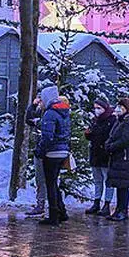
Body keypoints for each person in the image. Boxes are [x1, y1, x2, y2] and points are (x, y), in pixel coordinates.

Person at [36, 85, 71, 226]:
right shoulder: (65, 112)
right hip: (62, 150)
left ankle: (53, 215)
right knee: (54, 183)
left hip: (51, 153)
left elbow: (47, 137)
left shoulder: (50, 113)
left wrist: (39, 150)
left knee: (50, 184)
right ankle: (61, 211)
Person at [104, 97, 129, 222]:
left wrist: (112, 146)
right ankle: (118, 209)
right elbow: (112, 135)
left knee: (123, 186)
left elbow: (125, 139)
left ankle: (123, 210)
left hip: (125, 157)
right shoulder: (120, 120)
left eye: (122, 107)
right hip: (118, 157)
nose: (119, 109)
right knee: (119, 185)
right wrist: (108, 145)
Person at [84, 98, 115, 216]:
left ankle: (107, 203)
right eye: (95, 108)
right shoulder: (95, 120)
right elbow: (93, 135)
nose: (96, 110)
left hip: (106, 154)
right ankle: (96, 202)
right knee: (97, 180)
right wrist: (88, 134)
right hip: (95, 153)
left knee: (108, 180)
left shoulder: (111, 120)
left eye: (99, 108)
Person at [24, 97, 46, 218]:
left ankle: (44, 204)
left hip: (45, 151)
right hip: (40, 150)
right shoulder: (40, 111)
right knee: (41, 179)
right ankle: (41, 203)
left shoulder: (50, 115)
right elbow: (29, 120)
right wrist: (32, 106)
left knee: (44, 179)